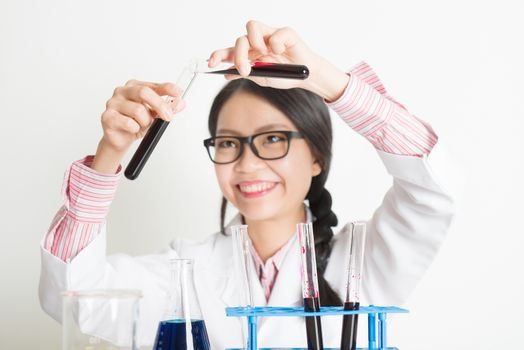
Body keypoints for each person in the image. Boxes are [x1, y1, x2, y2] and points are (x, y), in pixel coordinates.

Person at [39, 20, 455, 348]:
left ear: (316, 157)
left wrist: (324, 79)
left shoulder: (362, 264)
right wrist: (111, 151)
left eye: (272, 139)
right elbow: (76, 300)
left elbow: (431, 191)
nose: (247, 163)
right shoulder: (186, 272)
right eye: (229, 143)